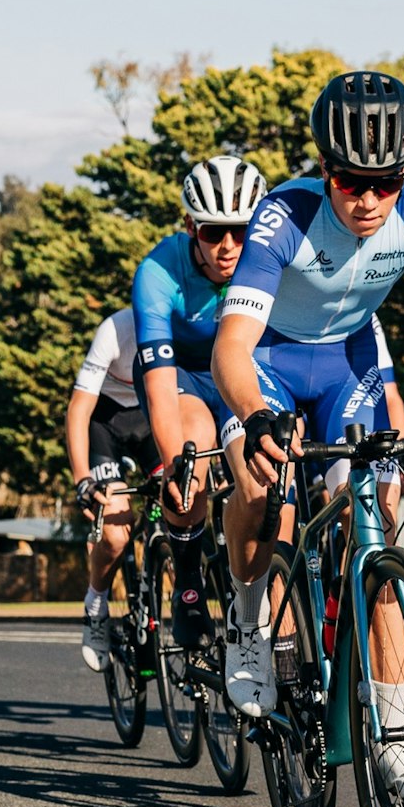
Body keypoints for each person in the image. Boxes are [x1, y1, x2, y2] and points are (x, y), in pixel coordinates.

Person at [211, 70, 404, 801]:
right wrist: (254, 415)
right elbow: (230, 346)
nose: (371, 199)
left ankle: (399, 739)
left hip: (351, 361)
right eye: (352, 182)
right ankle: (250, 623)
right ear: (326, 171)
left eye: (388, 181)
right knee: (258, 485)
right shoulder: (282, 216)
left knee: (375, 524)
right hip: (270, 364)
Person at [125, 155, 268, 660]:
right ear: (190, 227)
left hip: (241, 374)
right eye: (213, 232)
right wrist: (175, 463)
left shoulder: (270, 258)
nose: (228, 246)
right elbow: (160, 386)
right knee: (189, 453)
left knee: (266, 475)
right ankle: (187, 576)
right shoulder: (159, 272)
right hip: (180, 378)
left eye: (240, 231)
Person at [65, 305, 158, 671]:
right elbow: (78, 411)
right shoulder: (115, 330)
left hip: (153, 416)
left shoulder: (185, 322)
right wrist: (82, 478)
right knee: (117, 533)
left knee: (184, 497)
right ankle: (96, 602)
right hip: (107, 422)